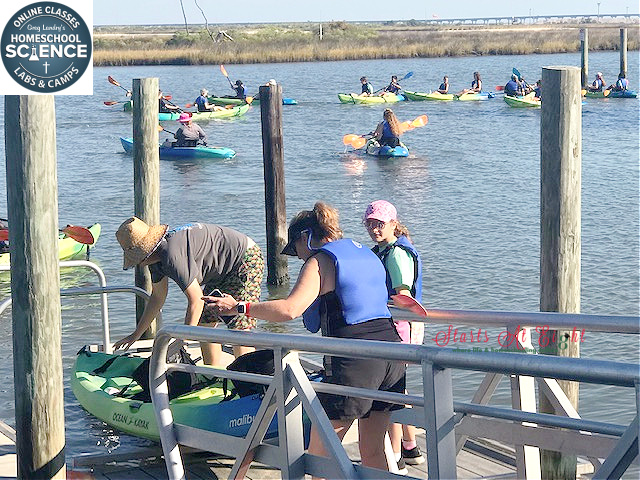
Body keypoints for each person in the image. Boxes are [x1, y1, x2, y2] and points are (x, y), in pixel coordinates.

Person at [203, 202, 406, 474]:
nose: (297, 257)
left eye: (296, 250)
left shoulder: (319, 260)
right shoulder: (367, 254)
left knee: (320, 455)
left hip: (356, 361)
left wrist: (239, 306)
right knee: (372, 451)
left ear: (305, 237)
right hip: (393, 355)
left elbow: (289, 309)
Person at [113, 217, 264, 366]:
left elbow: (196, 299)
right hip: (220, 269)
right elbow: (157, 297)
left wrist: (182, 340)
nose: (137, 264)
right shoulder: (155, 261)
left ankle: (247, 378)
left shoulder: (171, 256)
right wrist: (136, 334)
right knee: (205, 321)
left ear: (144, 254)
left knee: (238, 324)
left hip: (245, 258)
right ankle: (211, 373)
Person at [363, 200, 425, 471]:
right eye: (370, 224)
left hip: (398, 327)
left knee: (390, 392)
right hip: (400, 325)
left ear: (392, 224)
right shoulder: (387, 249)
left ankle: (397, 457)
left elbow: (404, 295)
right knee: (398, 387)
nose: (374, 229)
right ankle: (411, 448)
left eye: (379, 223)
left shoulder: (397, 254)